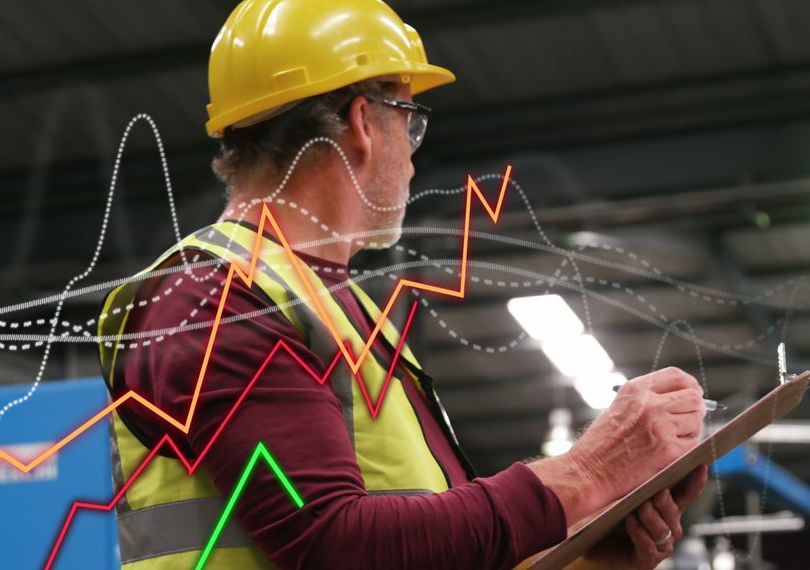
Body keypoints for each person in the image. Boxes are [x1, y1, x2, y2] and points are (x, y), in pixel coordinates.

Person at [97, 0, 708, 568]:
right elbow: (332, 541)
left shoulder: (336, 308)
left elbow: (416, 548)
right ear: (364, 121)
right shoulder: (216, 299)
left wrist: (589, 548)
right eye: (411, 122)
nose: (413, 156)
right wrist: (588, 473)